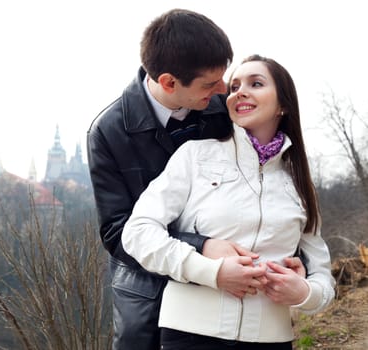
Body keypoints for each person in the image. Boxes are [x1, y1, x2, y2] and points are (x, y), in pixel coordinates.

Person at [87, 9, 304, 350]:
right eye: (210, 83)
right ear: (169, 82)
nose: (224, 90)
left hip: (237, 288)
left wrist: (293, 261)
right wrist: (201, 247)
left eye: (224, 79)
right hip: (147, 286)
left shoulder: (222, 107)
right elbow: (118, 232)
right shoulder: (108, 132)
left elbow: (267, 184)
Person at [122, 54, 335, 349]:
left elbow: (322, 275)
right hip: (190, 337)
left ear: (283, 105)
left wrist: (303, 293)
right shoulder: (195, 156)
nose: (239, 92)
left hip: (271, 340)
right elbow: (138, 233)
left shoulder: (298, 182)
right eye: (234, 87)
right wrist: (213, 273)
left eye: (256, 83)